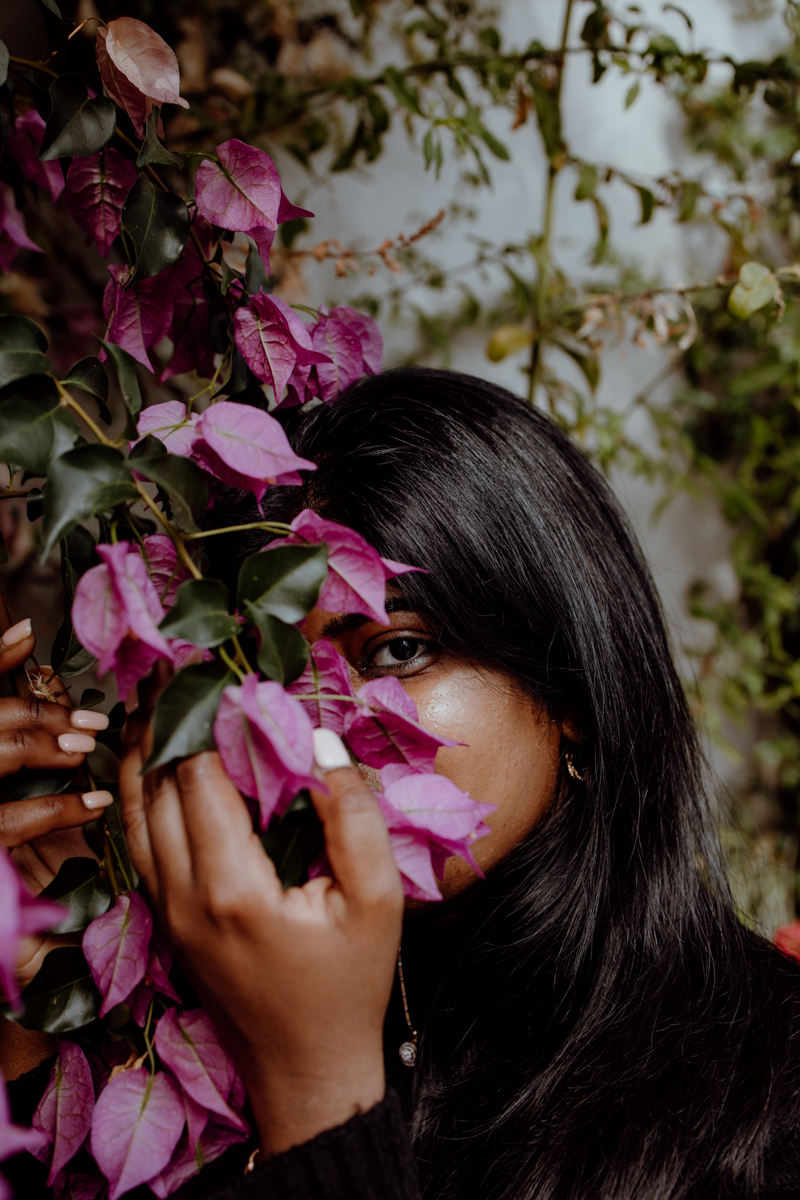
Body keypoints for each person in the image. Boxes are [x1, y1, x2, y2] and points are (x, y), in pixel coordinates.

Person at [4, 368, 800, 1199]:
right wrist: (32, 1033)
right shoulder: (230, 1022)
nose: (319, 736)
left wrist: (317, 1098)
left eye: (397, 651)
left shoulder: (775, 1097)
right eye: (272, 685)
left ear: (571, 690)